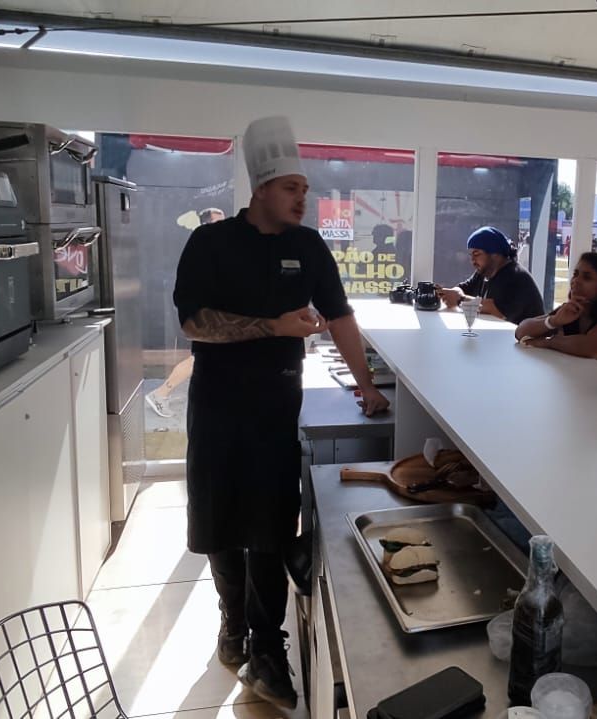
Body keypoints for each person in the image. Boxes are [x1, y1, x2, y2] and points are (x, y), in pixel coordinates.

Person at [170, 116, 391, 710]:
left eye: (305, 189)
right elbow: (194, 323)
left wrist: (367, 385)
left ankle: (267, 646)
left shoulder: (307, 246)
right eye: (293, 187)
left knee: (269, 524)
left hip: (275, 407)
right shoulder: (211, 244)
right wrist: (272, 326)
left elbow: (339, 315)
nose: (304, 198)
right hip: (218, 407)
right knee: (220, 521)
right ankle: (230, 622)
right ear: (262, 189)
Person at [148, 208, 229, 418]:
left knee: (208, 358)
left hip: (212, 315)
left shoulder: (212, 247)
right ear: (206, 225)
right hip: (204, 316)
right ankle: (161, 393)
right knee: (201, 358)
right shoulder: (202, 248)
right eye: (219, 223)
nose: (224, 227)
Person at [436, 226, 545, 324]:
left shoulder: (515, 277)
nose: (472, 260)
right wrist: (448, 293)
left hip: (529, 343)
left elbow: (496, 309)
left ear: (495, 253)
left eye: (476, 254)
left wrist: (460, 299)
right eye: (471, 255)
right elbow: (463, 288)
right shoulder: (484, 271)